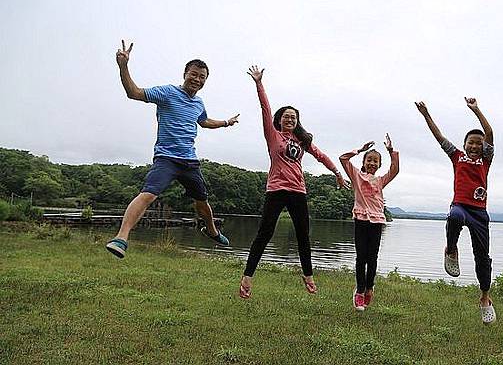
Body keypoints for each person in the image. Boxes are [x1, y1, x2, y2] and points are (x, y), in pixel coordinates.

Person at [105, 40, 238, 259]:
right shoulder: (167, 92)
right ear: (185, 73)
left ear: (205, 81)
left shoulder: (199, 103)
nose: (196, 79)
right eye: (193, 74)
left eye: (201, 77)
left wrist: (226, 122)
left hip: (190, 162)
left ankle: (213, 231)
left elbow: (203, 122)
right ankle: (121, 238)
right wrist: (123, 67)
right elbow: (134, 92)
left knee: (202, 202)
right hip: (166, 158)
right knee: (147, 194)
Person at [239, 65, 348, 299]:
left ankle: (307, 275)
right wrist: (259, 83)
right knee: (264, 233)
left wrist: (337, 173)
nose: (290, 119)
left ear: (297, 121)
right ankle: (248, 276)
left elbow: (321, 156)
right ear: (279, 120)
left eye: (294, 117)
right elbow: (265, 109)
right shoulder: (273, 134)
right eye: (286, 116)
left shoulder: (302, 141)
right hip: (276, 190)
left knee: (303, 235)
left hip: (298, 191)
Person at [415, 97, 496, 324]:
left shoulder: (486, 160)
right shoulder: (457, 156)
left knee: (483, 258)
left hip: (480, 213)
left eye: (478, 143)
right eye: (470, 142)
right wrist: (426, 115)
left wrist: (476, 109)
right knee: (454, 216)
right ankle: (451, 249)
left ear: (483, 147)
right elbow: (439, 137)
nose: (474, 146)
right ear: (464, 143)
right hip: (460, 206)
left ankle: (485, 298)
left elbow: (489, 132)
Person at [339, 135, 399, 311]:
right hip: (361, 219)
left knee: (372, 258)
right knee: (361, 257)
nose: (372, 163)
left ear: (379, 165)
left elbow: (395, 170)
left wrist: (391, 152)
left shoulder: (380, 180)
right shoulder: (356, 175)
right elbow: (343, 159)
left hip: (377, 221)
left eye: (376, 161)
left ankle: (369, 287)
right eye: (369, 160)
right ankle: (359, 291)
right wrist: (360, 150)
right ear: (364, 161)